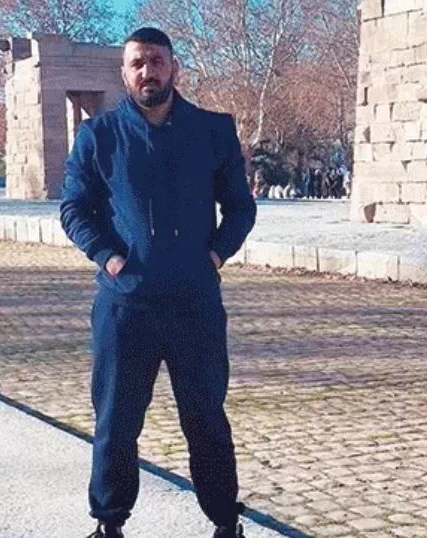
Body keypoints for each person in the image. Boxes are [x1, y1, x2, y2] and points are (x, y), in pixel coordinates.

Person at [60, 28, 256, 538]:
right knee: (116, 423)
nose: (148, 71)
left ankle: (225, 521)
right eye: (138, 63)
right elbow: (75, 209)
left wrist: (215, 254)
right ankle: (109, 523)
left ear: (174, 68)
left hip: (194, 303)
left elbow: (240, 208)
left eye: (157, 61)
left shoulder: (213, 130)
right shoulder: (99, 136)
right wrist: (108, 257)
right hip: (126, 307)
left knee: (206, 420)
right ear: (124, 73)